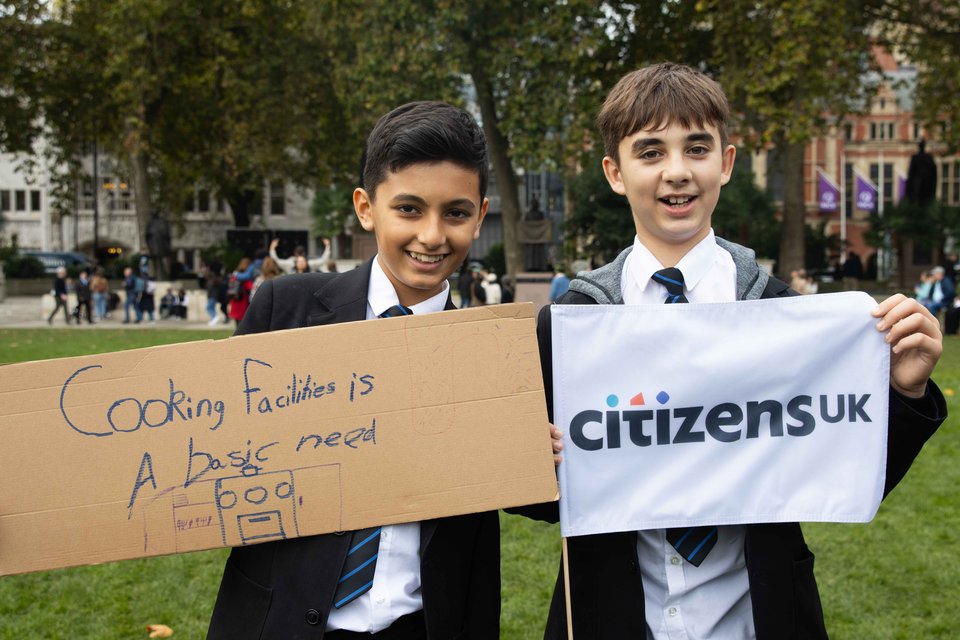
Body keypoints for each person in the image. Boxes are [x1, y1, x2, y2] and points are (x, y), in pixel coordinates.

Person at [531, 62, 946, 640]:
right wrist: (529, 464)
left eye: (696, 148)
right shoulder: (573, 322)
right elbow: (545, 503)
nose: (677, 172)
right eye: (650, 152)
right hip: (616, 614)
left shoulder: (784, 314)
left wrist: (903, 390)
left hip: (759, 617)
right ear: (615, 173)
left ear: (725, 162)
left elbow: (847, 467)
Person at [207, 101, 502, 639]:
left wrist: (539, 449)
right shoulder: (284, 308)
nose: (433, 235)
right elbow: (205, 458)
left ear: (480, 217)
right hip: (283, 621)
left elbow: (539, 498)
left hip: (424, 624)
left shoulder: (494, 356)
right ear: (367, 209)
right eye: (409, 209)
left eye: (455, 213)